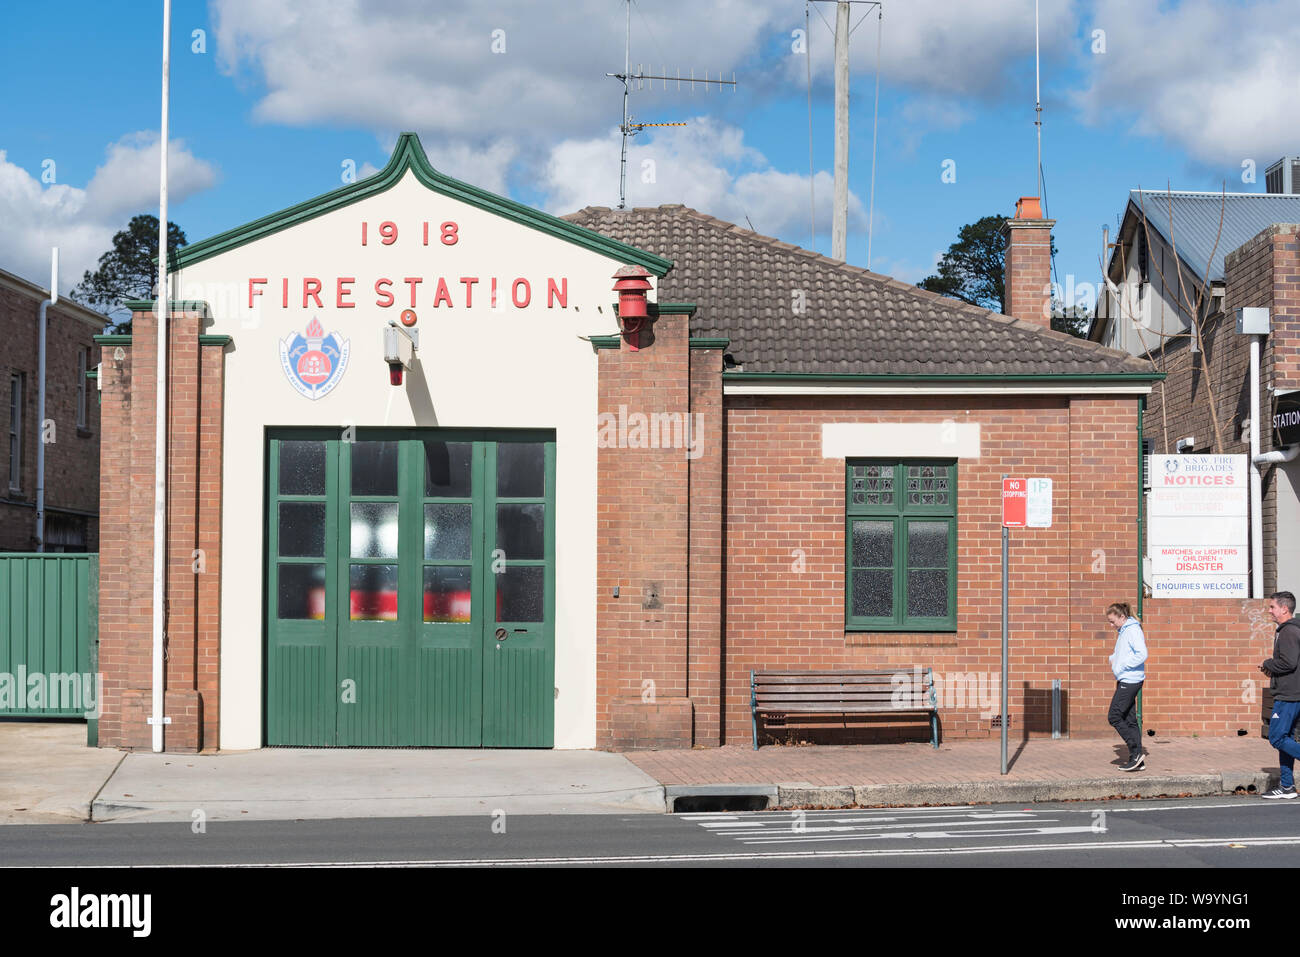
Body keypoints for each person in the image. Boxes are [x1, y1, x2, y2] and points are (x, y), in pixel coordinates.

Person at [1259, 591, 1300, 799]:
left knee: (1276, 737)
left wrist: (1268, 664)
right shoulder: (1290, 630)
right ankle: (1287, 787)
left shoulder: (1289, 632)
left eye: (1272, 607)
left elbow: (1288, 662)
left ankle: (1287, 786)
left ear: (1285, 609)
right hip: (1292, 692)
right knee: (1286, 738)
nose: (1269, 611)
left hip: (1288, 694)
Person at [1106, 602, 1148, 772]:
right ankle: (1137, 760)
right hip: (1127, 679)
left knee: (1114, 716)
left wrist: (1123, 666)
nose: (1111, 625)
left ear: (1122, 617)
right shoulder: (1124, 631)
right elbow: (1124, 652)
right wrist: (1114, 658)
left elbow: (1142, 654)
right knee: (1130, 720)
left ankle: (1136, 753)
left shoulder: (1132, 630)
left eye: (1112, 621)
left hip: (1130, 679)